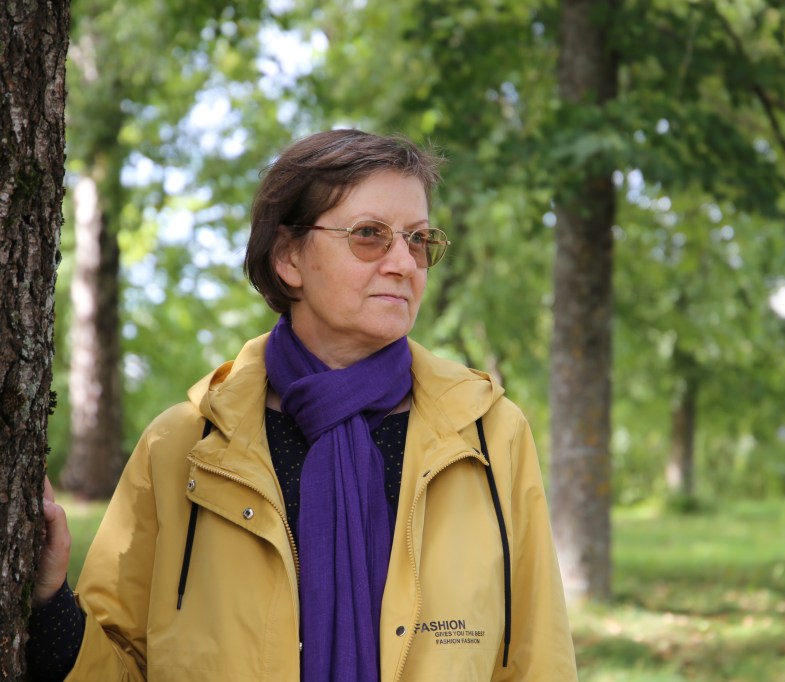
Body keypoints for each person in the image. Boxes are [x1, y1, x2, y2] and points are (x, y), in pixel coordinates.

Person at [29, 129, 578, 681]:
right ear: (289, 257)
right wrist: (49, 601)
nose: (404, 263)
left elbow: (539, 663)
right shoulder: (184, 447)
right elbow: (117, 667)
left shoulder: (488, 434)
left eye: (418, 240)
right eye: (370, 235)